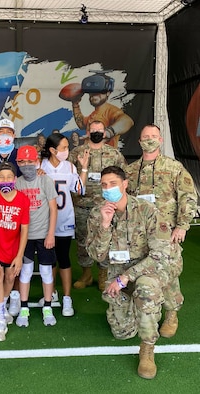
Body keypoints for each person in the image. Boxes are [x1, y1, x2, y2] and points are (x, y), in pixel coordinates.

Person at [86, 166, 174, 379]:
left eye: (113, 184)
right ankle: (141, 311)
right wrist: (105, 226)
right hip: (117, 272)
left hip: (148, 270)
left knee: (145, 290)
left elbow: (160, 253)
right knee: (122, 333)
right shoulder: (98, 214)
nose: (108, 189)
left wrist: (125, 277)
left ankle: (147, 348)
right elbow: (96, 256)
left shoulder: (147, 210)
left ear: (125, 184)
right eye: (104, 185)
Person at [125, 124, 197, 338]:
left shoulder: (174, 168)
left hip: (166, 233)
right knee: (142, 269)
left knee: (169, 271)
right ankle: (142, 310)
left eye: (153, 136)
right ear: (139, 141)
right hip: (139, 234)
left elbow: (188, 196)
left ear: (160, 140)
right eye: (145, 137)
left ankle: (172, 312)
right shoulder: (131, 171)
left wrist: (182, 225)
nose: (149, 139)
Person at [69, 120, 127, 292]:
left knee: (106, 240)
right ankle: (86, 274)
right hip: (82, 206)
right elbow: (70, 176)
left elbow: (123, 178)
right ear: (87, 132)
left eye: (99, 130)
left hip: (106, 207)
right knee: (82, 241)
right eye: (93, 130)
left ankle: (103, 275)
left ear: (104, 133)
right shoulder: (77, 152)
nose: (96, 133)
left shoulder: (114, 154)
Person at [0, 162, 30, 341]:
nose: (6, 180)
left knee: (10, 278)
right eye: (1, 177)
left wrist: (19, 256)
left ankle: (0, 304)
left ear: (15, 179)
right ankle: (0, 320)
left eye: (9, 177)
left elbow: (24, 230)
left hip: (13, 250)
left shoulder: (23, 200)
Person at [40, 133, 89, 316]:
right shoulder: (40, 166)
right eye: (63, 148)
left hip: (64, 219)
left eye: (67, 147)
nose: (66, 151)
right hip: (44, 221)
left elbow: (79, 190)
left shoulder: (69, 167)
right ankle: (51, 293)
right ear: (52, 150)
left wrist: (83, 169)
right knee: (48, 259)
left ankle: (67, 297)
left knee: (63, 258)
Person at [15, 145, 58, 327]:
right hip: (25, 236)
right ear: (17, 163)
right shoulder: (17, 183)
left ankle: (47, 306)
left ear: (37, 162)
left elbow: (53, 209)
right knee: (25, 271)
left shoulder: (45, 180)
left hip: (43, 234)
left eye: (30, 161)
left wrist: (50, 234)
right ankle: (24, 307)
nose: (26, 165)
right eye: (22, 162)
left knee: (46, 271)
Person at [71, 82, 134, 148]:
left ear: (108, 93)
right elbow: (81, 124)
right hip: (89, 154)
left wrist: (107, 132)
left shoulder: (111, 110)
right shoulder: (94, 114)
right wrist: (75, 104)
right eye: (91, 93)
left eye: (99, 92)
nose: (94, 95)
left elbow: (128, 121)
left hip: (106, 156)